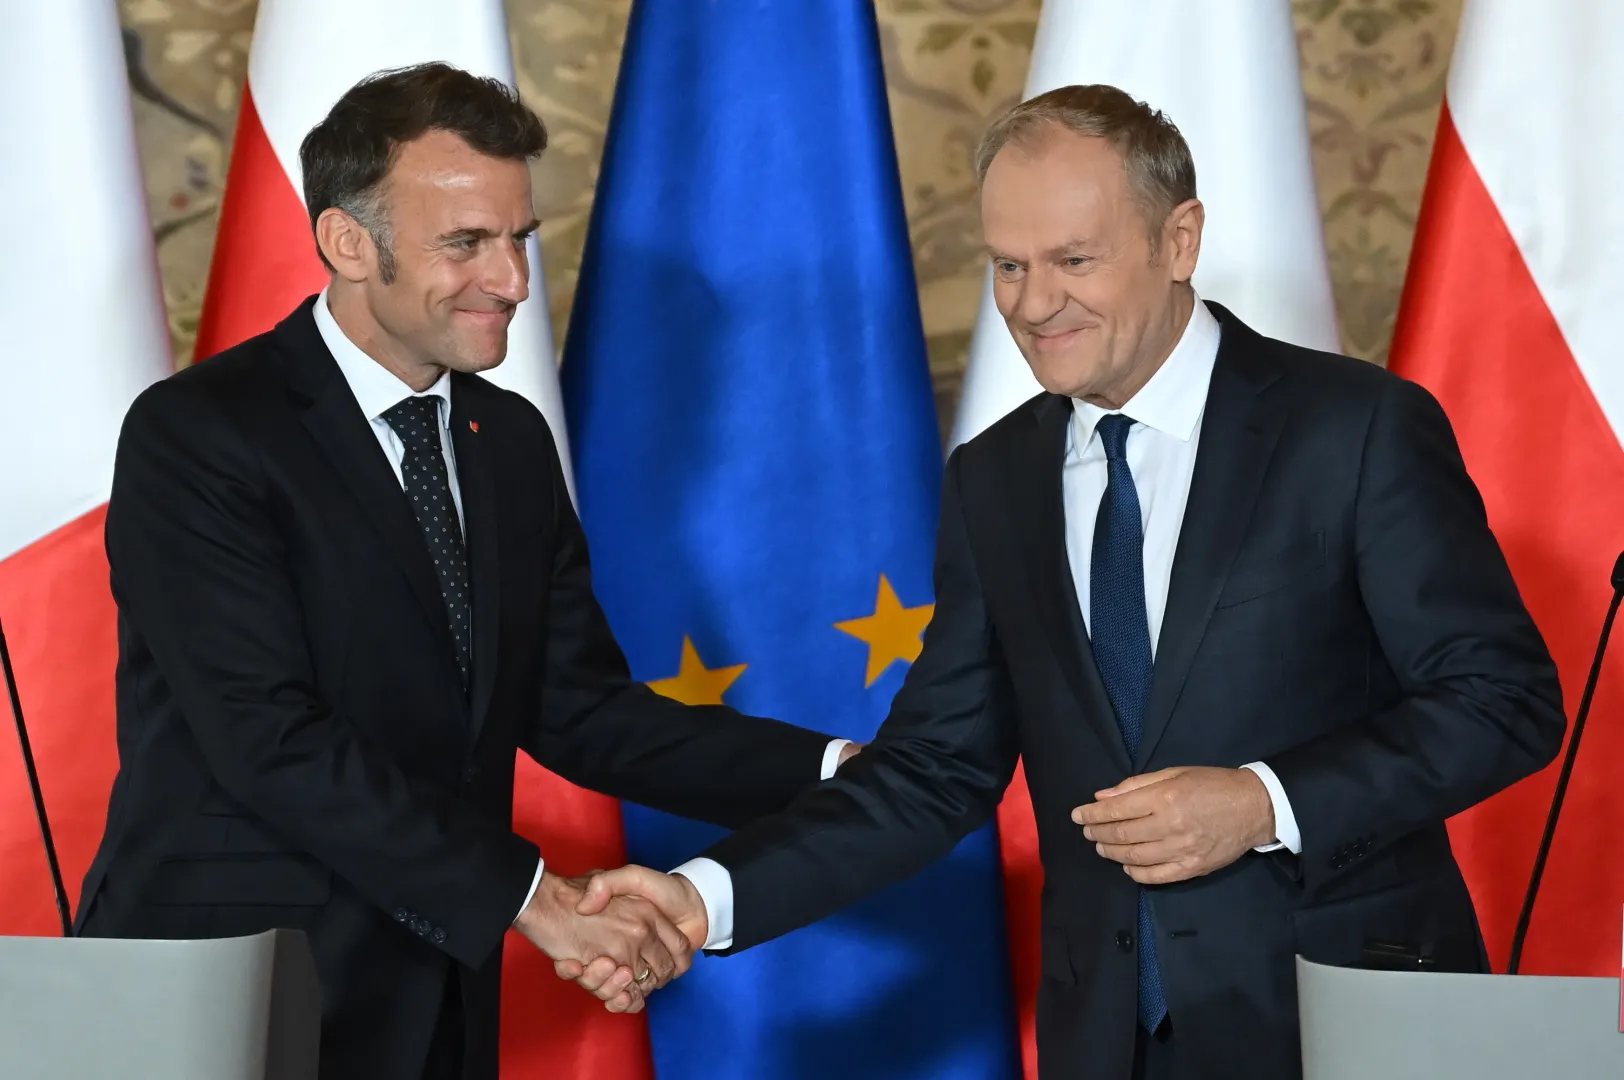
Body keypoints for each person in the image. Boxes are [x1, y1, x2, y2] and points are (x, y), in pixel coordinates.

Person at [565, 85, 1567, 1079]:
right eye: (1008, 265)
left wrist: (1265, 802)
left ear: (1179, 241)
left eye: (1073, 261)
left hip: (1343, 1015)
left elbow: (1505, 702)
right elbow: (933, 769)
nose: (1033, 305)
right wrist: (705, 898)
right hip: (1108, 1036)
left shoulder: (1353, 428)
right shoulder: (994, 477)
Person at [73, 63, 852, 1080]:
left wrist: (846, 775)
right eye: (466, 244)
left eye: (518, 238)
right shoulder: (203, 433)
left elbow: (580, 711)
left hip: (431, 986)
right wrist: (539, 904)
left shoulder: (507, 440)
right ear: (348, 243)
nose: (514, 282)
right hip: (225, 992)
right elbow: (269, 739)